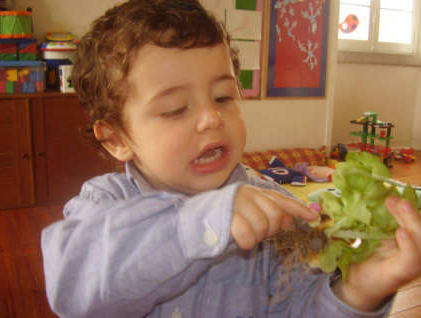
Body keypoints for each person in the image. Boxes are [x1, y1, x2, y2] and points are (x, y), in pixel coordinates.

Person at [41, 1, 421, 317]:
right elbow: (73, 290)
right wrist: (203, 221)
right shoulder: (105, 204)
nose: (212, 119)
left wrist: (357, 292)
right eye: (175, 109)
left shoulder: (278, 213)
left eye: (223, 97)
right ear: (118, 139)